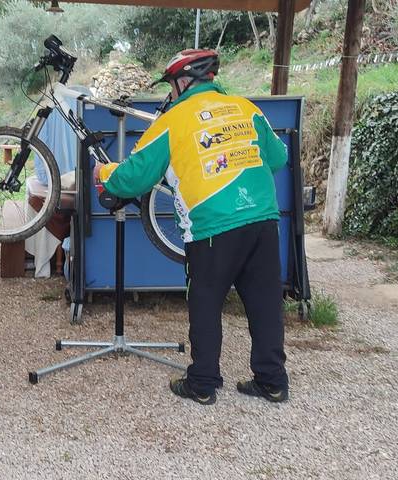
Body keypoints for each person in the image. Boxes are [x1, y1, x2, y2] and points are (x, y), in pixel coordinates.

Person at [96, 49, 290, 405]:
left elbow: (134, 177)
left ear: (182, 82)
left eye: (171, 86)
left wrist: (104, 173)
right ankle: (272, 381)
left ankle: (202, 383)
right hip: (263, 219)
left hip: (212, 226)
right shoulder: (247, 109)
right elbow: (279, 157)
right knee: (265, 304)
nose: (170, 93)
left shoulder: (174, 119)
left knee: (205, 301)